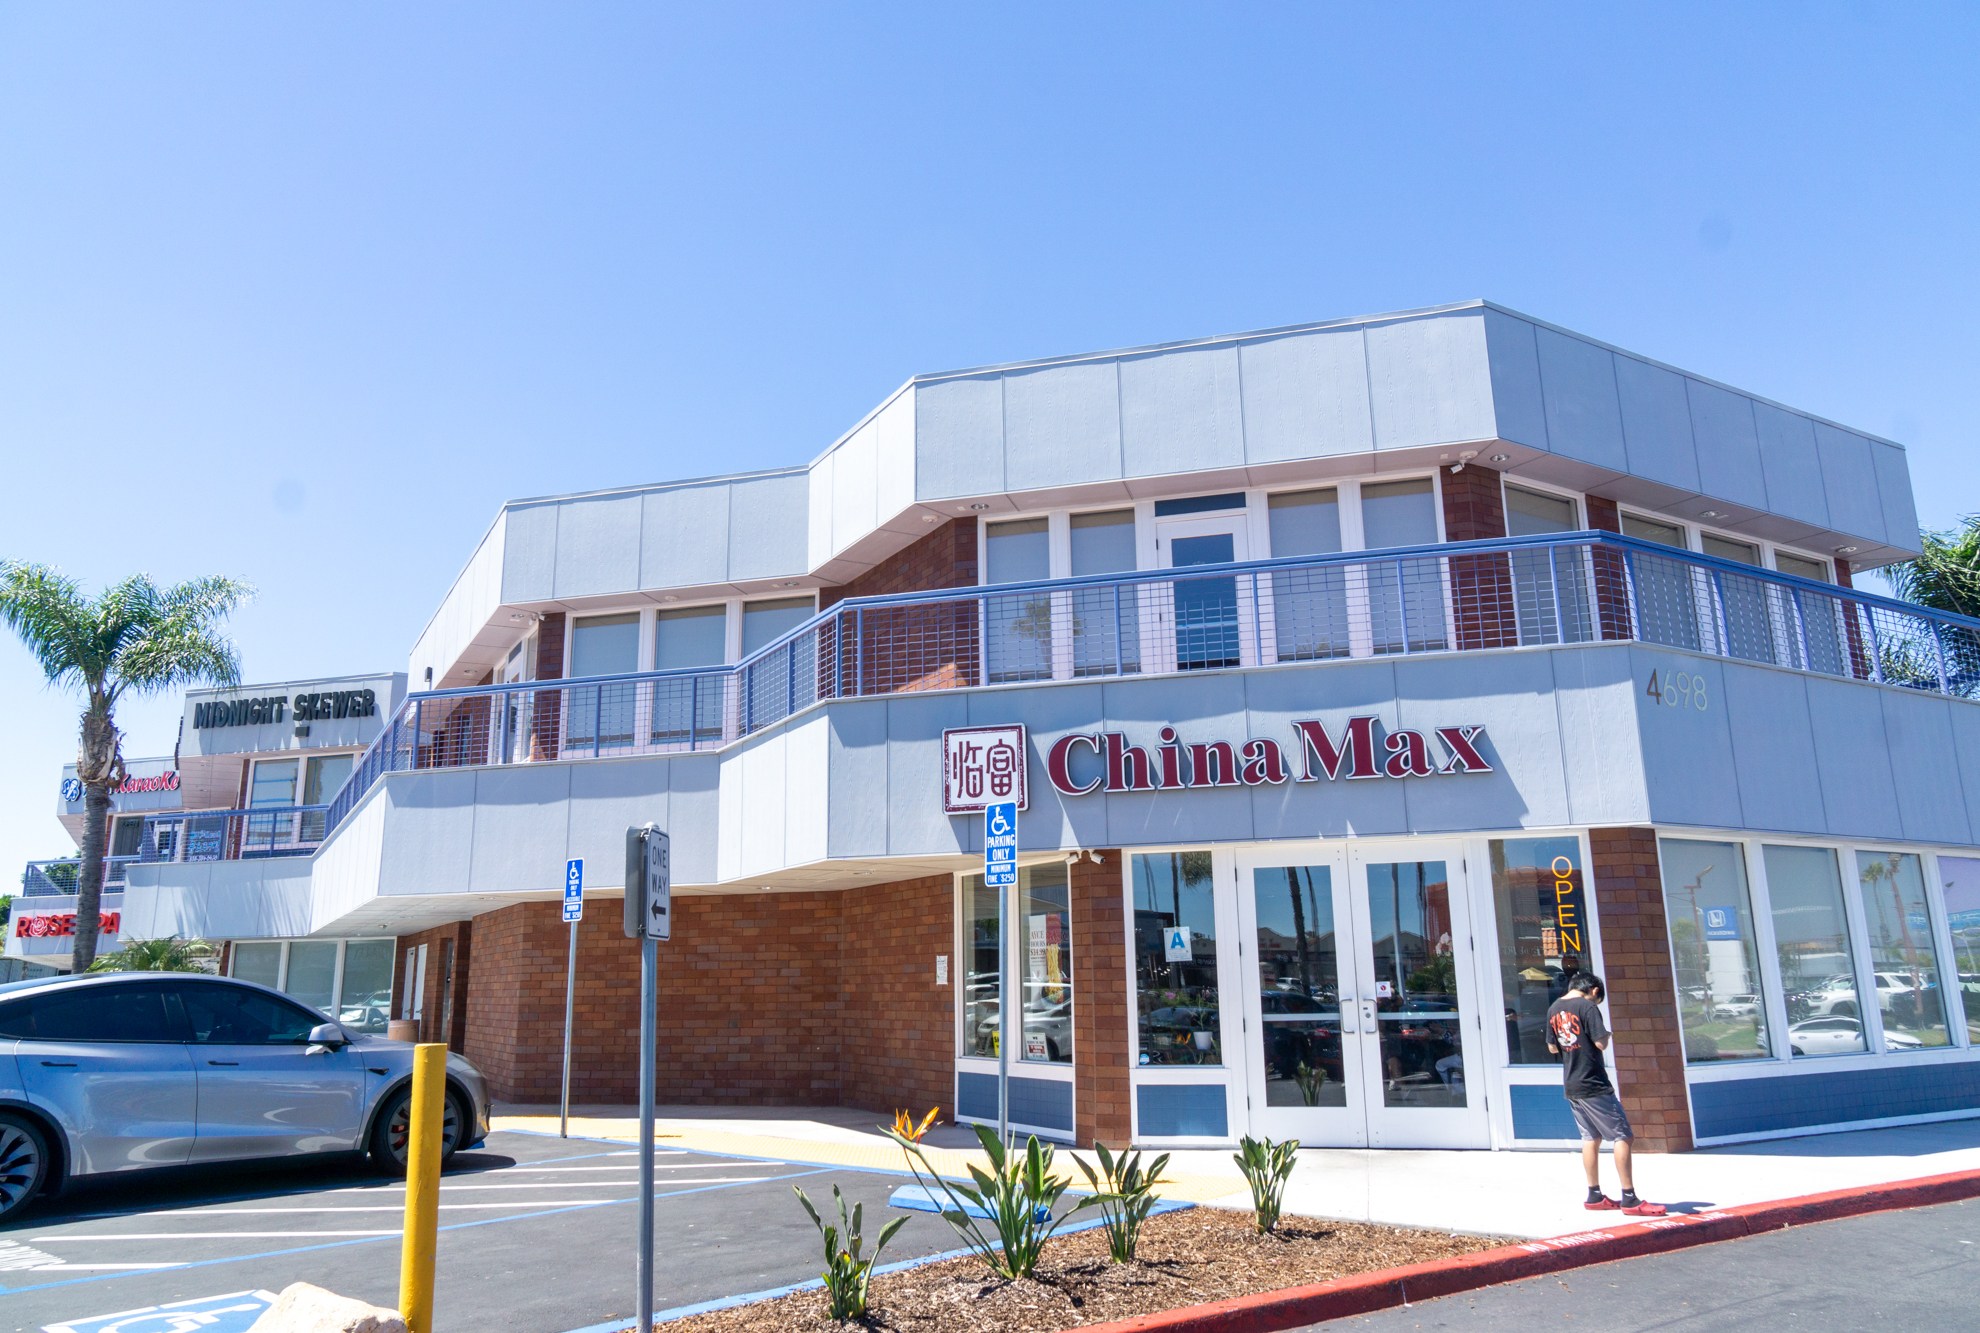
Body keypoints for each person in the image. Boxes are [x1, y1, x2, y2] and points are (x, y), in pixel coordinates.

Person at [1546, 972, 1665, 1216]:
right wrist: (1606, 1034)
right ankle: (1630, 1198)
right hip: (1594, 1083)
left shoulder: (1553, 1008)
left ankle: (1594, 1195)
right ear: (1595, 991)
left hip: (1572, 1084)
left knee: (1590, 1138)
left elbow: (1551, 1047)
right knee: (1622, 1135)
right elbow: (1600, 1044)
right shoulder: (1588, 1007)